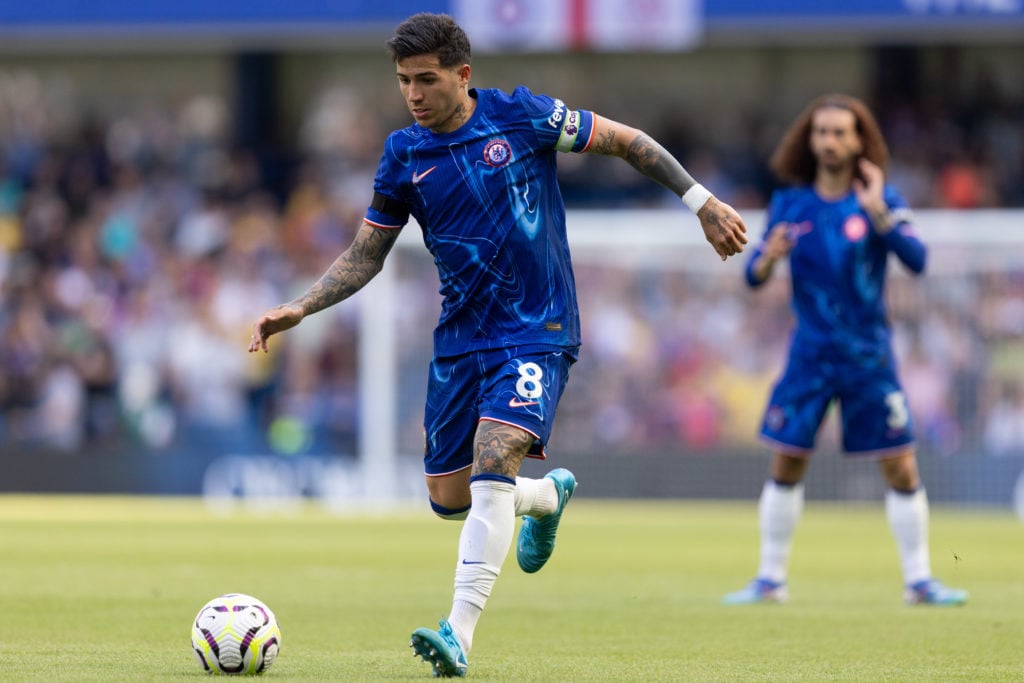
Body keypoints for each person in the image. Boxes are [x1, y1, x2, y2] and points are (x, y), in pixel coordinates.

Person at [249, 12, 747, 678]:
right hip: (461, 341)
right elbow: (370, 251)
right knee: (449, 496)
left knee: (494, 453)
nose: (414, 95)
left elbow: (627, 142)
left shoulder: (524, 118)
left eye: (426, 80)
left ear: (463, 74)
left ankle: (458, 633)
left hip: (536, 328)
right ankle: (543, 497)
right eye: (403, 82)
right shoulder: (404, 154)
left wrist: (700, 200)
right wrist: (302, 304)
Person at [723, 93, 967, 607]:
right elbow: (752, 275)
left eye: (840, 132)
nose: (829, 142)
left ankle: (919, 581)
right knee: (787, 460)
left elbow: (917, 260)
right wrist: (768, 257)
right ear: (808, 141)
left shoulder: (881, 198)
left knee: (900, 465)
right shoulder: (790, 203)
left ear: (860, 140)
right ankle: (770, 580)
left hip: (868, 356)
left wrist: (879, 211)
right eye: (821, 132)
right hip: (809, 354)